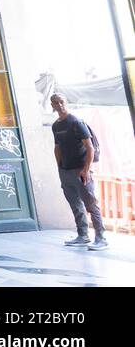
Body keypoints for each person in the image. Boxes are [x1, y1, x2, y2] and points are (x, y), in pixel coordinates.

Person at [50, 94, 107, 250]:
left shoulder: (75, 122)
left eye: (61, 101)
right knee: (75, 204)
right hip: (66, 170)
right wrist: (59, 167)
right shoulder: (55, 126)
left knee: (90, 203)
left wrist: (86, 170)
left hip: (80, 170)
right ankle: (83, 235)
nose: (59, 105)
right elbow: (57, 147)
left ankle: (101, 238)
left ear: (66, 102)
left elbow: (89, 148)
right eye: (56, 102)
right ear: (52, 105)